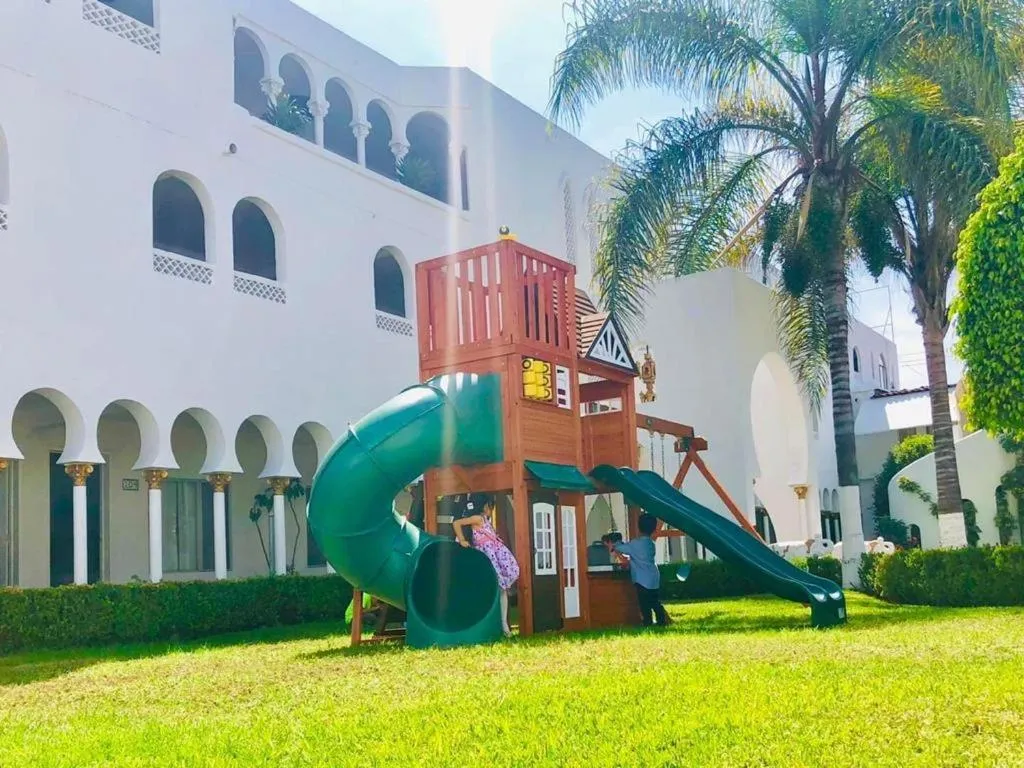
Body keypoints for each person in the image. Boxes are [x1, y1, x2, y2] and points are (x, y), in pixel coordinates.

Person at [452, 493, 520, 637]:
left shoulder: (486, 520)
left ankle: (504, 625)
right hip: (488, 558)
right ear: (485, 506)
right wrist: (463, 540)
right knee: (500, 589)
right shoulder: (477, 518)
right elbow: (457, 523)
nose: (491, 510)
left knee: (502, 589)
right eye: (490, 506)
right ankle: (503, 625)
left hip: (494, 556)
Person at [605, 513, 670, 627]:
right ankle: (661, 621)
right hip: (653, 577)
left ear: (638, 527)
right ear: (653, 529)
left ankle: (648, 622)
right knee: (654, 602)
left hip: (642, 579)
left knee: (644, 603)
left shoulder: (636, 544)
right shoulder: (650, 543)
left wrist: (614, 543)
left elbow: (621, 548)